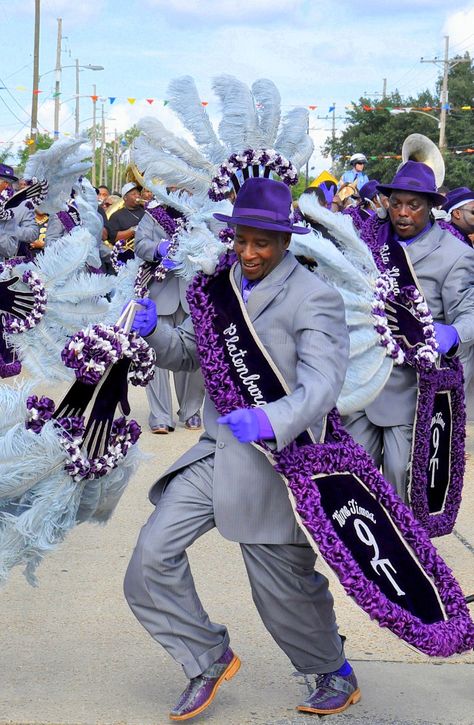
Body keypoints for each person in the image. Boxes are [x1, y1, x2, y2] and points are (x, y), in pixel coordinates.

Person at [124, 177, 359, 721]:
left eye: (262, 243)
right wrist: (155, 330)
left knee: (281, 586)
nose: (249, 253)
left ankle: (333, 671)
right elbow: (190, 355)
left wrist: (271, 418)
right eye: (241, 241)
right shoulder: (219, 286)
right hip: (215, 450)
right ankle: (206, 658)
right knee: (149, 558)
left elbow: (323, 384)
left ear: (285, 242)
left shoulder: (314, 298)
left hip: (274, 460)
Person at [345, 161, 474, 499]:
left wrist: (455, 334)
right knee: (355, 478)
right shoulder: (371, 241)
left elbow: (470, 313)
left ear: (431, 207)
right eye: (396, 203)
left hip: (414, 391)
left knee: (402, 484)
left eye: (413, 205)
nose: (402, 213)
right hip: (364, 381)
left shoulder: (454, 255)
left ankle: (408, 550)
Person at [134, 204, 205, 433]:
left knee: (194, 355)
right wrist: (159, 248)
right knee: (155, 355)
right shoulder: (152, 215)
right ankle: (160, 414)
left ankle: (191, 410)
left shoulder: (202, 211)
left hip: (192, 294)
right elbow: (139, 244)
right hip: (160, 294)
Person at [0, 164, 39, 258]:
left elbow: (33, 233)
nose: (5, 185)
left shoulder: (23, 205)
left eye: (8, 182)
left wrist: (9, 229)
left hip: (6, 259)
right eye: (3, 181)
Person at [105, 182, 145, 257]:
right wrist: (133, 230)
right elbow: (114, 238)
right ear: (125, 198)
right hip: (127, 255)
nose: (138, 196)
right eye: (134, 194)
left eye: (138, 194)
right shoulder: (116, 215)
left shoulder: (146, 211)